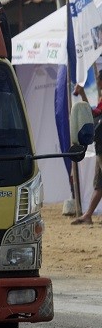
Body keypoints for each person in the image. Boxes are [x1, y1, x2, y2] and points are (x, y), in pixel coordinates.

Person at [71, 84, 102, 224]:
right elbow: (92, 114)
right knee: (99, 184)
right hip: (100, 147)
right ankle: (88, 215)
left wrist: (83, 93)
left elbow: (92, 114)